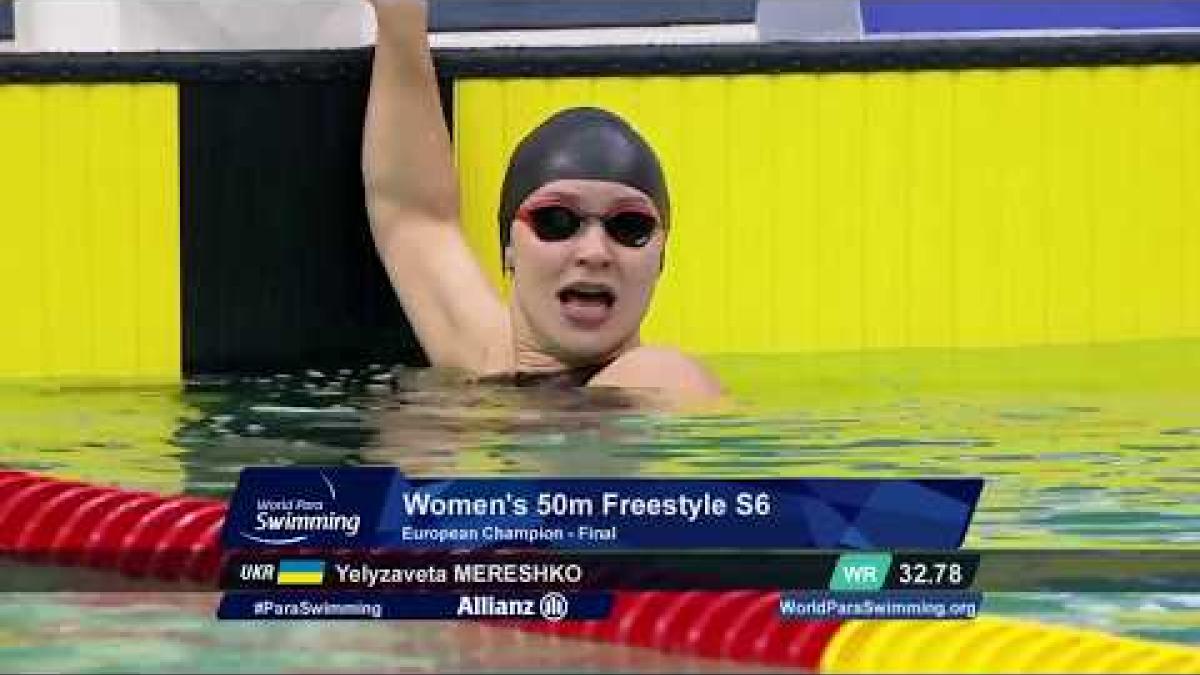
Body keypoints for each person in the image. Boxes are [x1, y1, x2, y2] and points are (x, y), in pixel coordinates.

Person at [362, 0, 722, 401]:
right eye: (556, 221)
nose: (594, 252)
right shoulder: (482, 357)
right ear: (509, 248)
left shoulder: (664, 379)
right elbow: (415, 218)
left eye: (629, 227)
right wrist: (401, 22)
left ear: (661, 259)